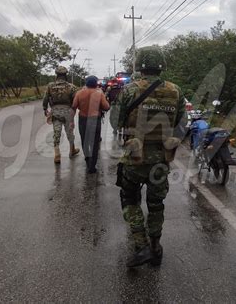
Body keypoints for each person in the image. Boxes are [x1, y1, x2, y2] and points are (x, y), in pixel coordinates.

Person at [110, 46, 186, 267]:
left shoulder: (130, 90)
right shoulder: (176, 91)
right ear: (161, 65)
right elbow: (183, 123)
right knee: (156, 204)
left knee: (129, 198)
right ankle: (155, 247)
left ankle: (140, 244)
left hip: (135, 159)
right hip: (161, 159)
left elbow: (115, 121)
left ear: (140, 66)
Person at [72, 75, 110, 173]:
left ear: (86, 83)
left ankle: (87, 158)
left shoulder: (79, 93)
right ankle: (92, 166)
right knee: (95, 143)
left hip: (83, 119)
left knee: (85, 140)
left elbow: (74, 106)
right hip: (95, 119)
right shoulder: (99, 94)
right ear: (96, 84)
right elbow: (106, 107)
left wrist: (71, 121)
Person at [43, 66, 80, 164]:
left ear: (56, 75)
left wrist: (45, 108)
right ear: (65, 75)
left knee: (57, 133)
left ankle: (57, 155)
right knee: (70, 132)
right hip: (68, 112)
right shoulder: (72, 87)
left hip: (55, 112)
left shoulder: (50, 86)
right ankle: (72, 150)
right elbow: (76, 100)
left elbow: (45, 98)